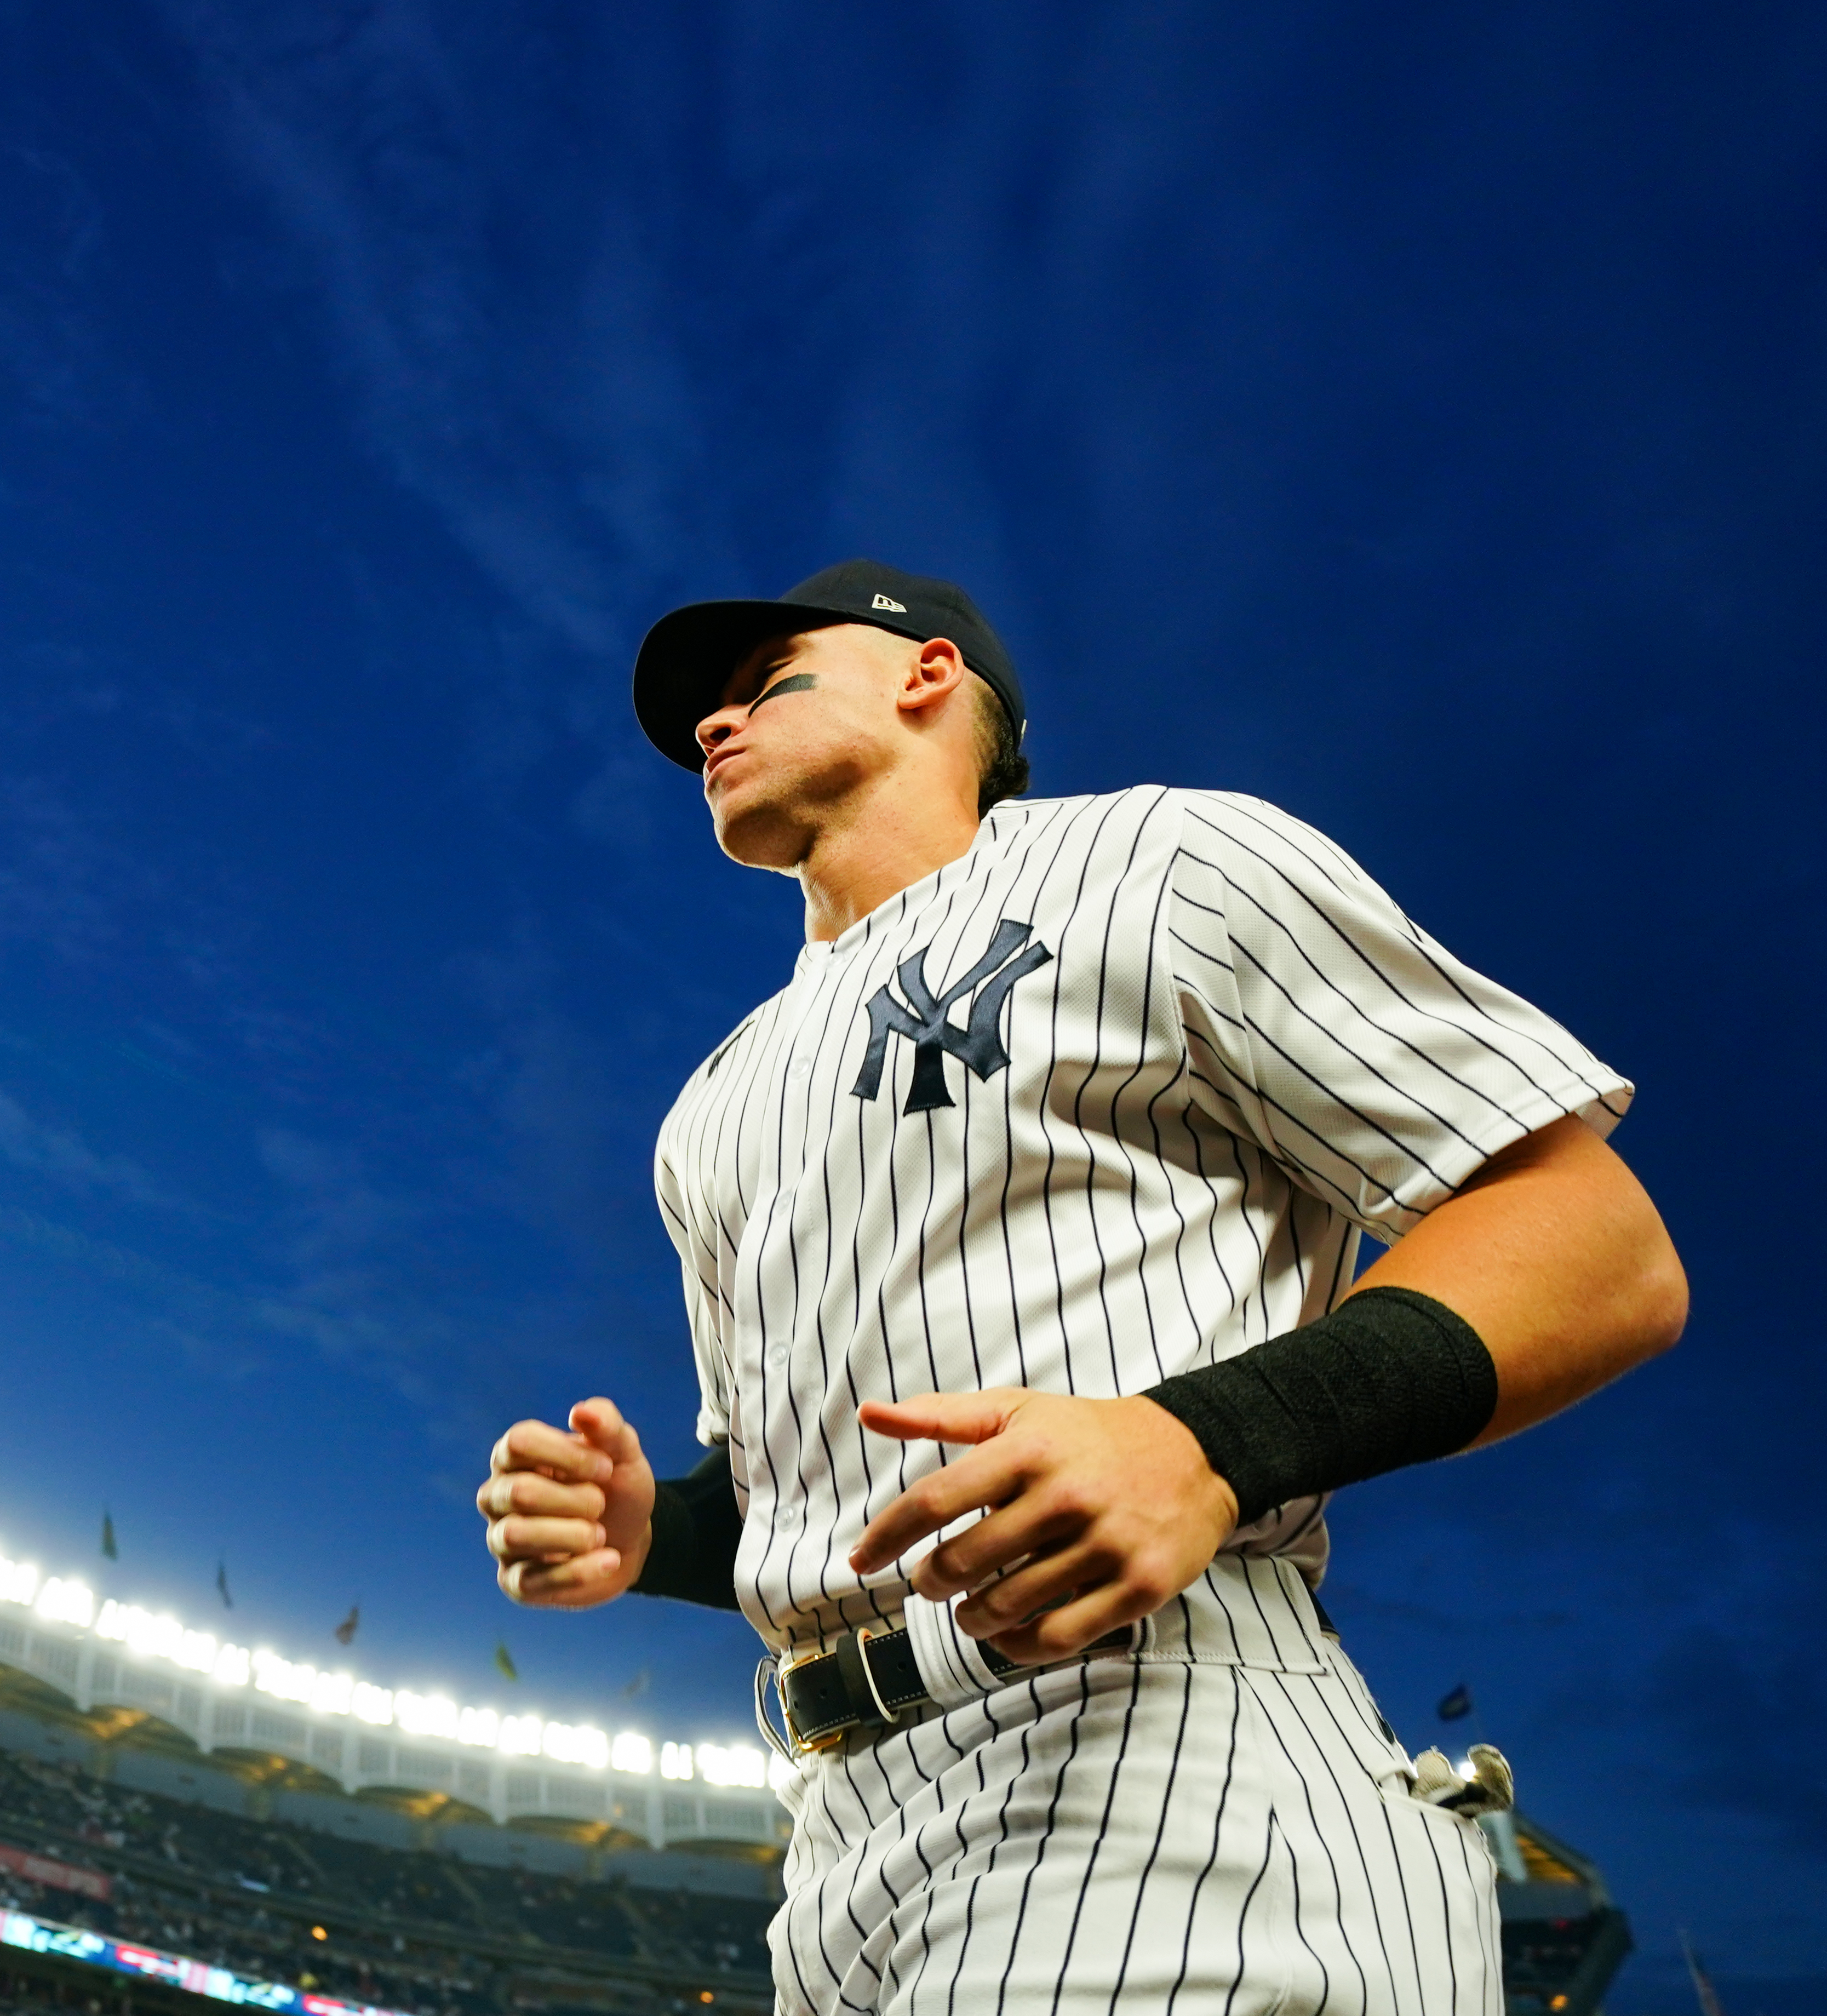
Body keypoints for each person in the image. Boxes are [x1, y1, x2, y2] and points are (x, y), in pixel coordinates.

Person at [474, 560, 1684, 2015]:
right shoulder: (709, 1106)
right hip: (838, 1847)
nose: (714, 731)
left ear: (928, 678)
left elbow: (1591, 1242)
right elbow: (809, 1497)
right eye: (704, 723)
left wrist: (1205, 1441)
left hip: (1156, 1760)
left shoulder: (1160, 862)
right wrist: (651, 1529)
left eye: (767, 686)